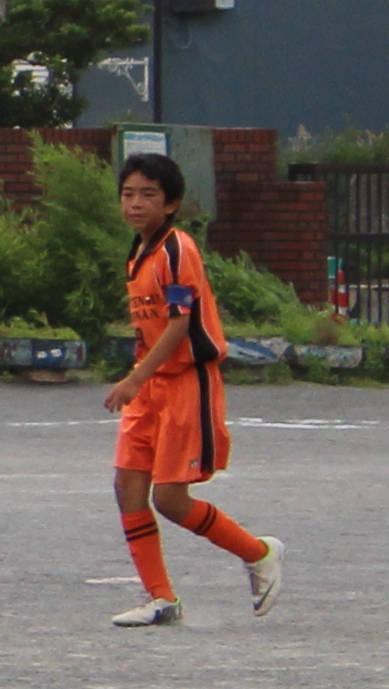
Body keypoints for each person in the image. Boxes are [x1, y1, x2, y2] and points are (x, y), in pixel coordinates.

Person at [100, 151, 282, 628]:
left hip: (185, 382)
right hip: (148, 384)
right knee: (127, 487)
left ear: (172, 204)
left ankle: (259, 553)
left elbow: (180, 326)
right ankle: (160, 598)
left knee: (171, 500)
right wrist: (140, 378)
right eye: (128, 193)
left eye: (148, 195)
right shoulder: (137, 251)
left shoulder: (178, 249)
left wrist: (134, 378)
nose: (135, 203)